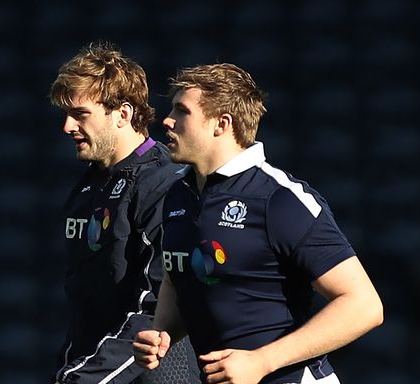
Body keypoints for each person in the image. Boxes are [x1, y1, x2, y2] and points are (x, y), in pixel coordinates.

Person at [132, 63, 383, 384]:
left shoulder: (279, 198)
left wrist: (263, 361)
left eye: (182, 111)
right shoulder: (177, 195)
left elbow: (364, 306)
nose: (167, 120)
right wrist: (162, 334)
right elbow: (177, 277)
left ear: (221, 124)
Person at [50, 42, 200, 384]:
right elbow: (86, 305)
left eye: (80, 114)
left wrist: (84, 379)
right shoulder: (88, 186)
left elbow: (156, 311)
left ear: (123, 113)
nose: (67, 127)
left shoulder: (166, 186)